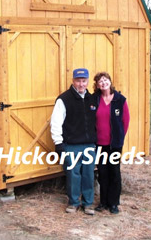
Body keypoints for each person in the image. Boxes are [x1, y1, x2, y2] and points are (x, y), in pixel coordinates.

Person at [50, 68, 97, 215]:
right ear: (73, 81)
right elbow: (56, 122)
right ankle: (74, 203)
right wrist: (58, 143)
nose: (81, 84)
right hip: (71, 145)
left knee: (89, 174)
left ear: (88, 81)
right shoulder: (64, 99)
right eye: (78, 80)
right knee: (73, 175)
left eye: (84, 81)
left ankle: (88, 204)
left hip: (89, 145)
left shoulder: (93, 99)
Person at [93, 71, 130, 214]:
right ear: (97, 85)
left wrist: (119, 138)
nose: (103, 83)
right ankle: (103, 202)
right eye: (100, 81)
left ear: (110, 81)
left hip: (114, 145)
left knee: (114, 172)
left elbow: (125, 121)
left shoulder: (120, 100)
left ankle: (113, 203)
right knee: (102, 173)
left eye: (105, 80)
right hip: (99, 144)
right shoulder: (95, 99)